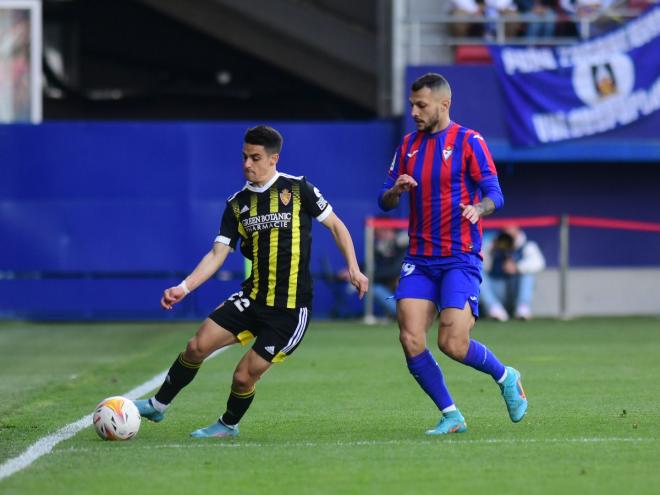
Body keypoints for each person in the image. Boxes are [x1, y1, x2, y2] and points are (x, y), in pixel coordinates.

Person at [134, 125, 368, 438]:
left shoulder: (299, 189)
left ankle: (228, 424)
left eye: (255, 157)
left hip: (289, 311)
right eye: (244, 156)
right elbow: (217, 254)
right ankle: (158, 405)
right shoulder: (237, 204)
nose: (247, 164)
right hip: (253, 299)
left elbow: (337, 226)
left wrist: (353, 267)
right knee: (196, 345)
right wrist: (184, 287)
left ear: (274, 159)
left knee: (244, 377)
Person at [378, 73, 528, 435]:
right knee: (410, 337)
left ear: (444, 104)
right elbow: (384, 200)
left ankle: (506, 376)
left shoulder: (469, 141)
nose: (413, 111)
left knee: (452, 343)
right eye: (412, 104)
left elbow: (496, 193)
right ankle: (451, 414)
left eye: (421, 105)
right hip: (420, 257)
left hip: (460, 257)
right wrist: (396, 190)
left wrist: (481, 208)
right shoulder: (408, 145)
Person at [481, 226, 546, 321]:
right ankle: (494, 309)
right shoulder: (493, 246)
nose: (508, 238)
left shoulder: (527, 246)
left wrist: (517, 267)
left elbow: (539, 264)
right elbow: (481, 266)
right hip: (497, 289)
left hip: (514, 289)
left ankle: (522, 309)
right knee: (478, 274)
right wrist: (490, 250)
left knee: (527, 275)